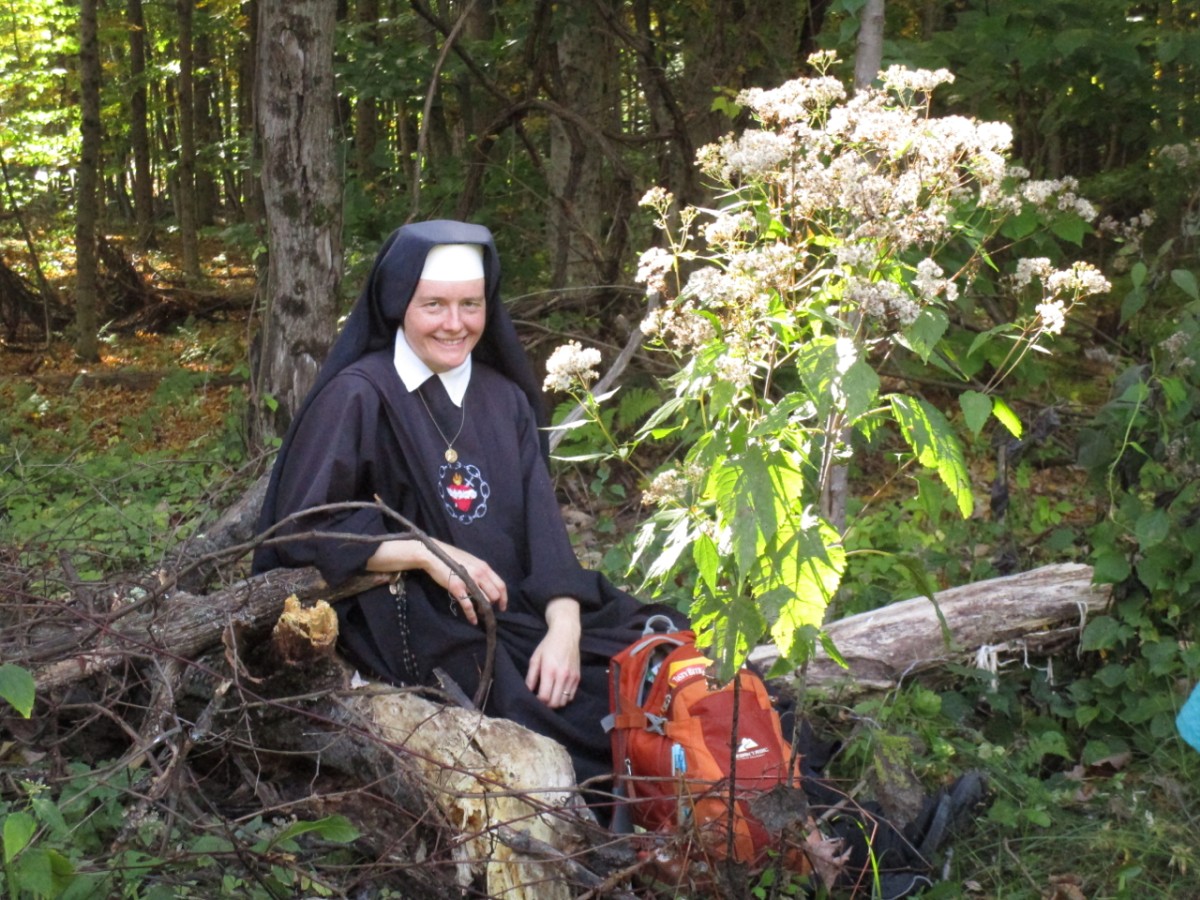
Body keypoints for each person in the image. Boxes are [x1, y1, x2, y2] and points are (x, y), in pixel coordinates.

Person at [253, 220, 678, 795]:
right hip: (423, 621)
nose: (454, 324)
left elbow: (545, 534)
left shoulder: (505, 398)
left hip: (523, 609)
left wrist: (564, 626)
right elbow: (303, 528)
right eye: (434, 305)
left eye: (470, 305)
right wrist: (426, 552)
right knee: (578, 716)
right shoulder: (358, 394)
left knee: (658, 658)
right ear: (398, 302)